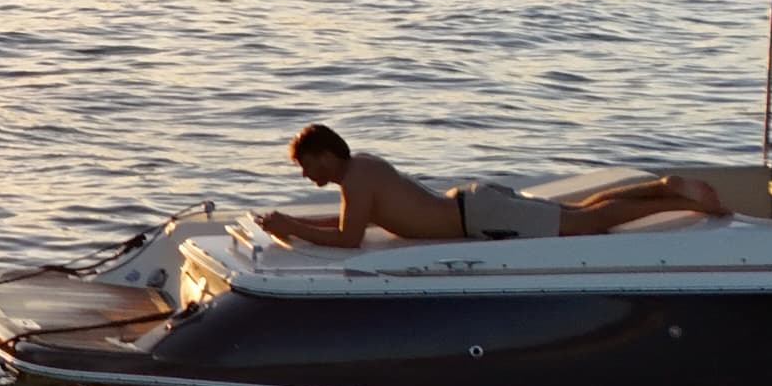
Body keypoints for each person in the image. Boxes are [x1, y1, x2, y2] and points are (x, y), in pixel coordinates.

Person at [255, 123, 726, 246]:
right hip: (476, 208)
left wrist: (291, 229)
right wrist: (289, 221)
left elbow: (348, 238)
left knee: (591, 224)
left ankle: (677, 199)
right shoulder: (360, 172)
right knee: (584, 211)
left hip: (482, 217)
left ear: (323, 155)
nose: (306, 175)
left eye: (305, 165)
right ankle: (667, 188)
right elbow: (345, 224)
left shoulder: (357, 178)